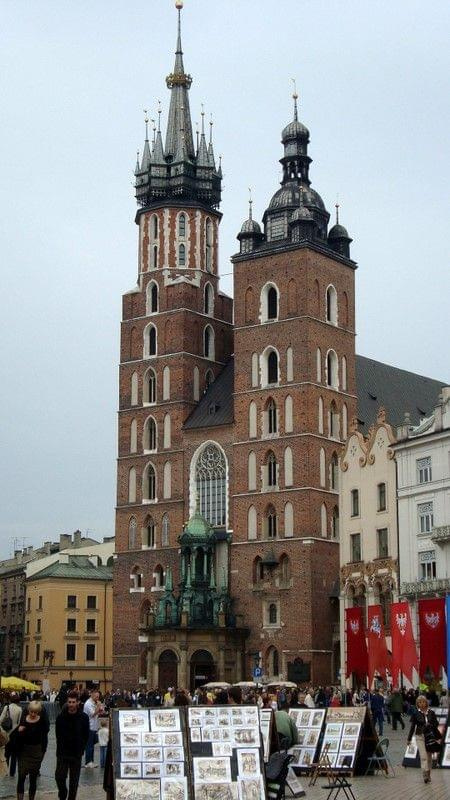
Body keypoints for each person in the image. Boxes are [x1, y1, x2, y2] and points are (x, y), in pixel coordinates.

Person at [55, 691, 89, 800]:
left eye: (73, 702)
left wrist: (81, 748)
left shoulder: (83, 717)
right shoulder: (60, 717)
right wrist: (60, 748)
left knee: (74, 782)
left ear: (77, 702)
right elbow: (58, 735)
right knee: (59, 777)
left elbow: (86, 734)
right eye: (69, 702)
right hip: (63, 753)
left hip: (76, 753)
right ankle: (63, 792)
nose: (71, 704)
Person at [16, 700, 49, 800]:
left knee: (33, 779)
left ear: (38, 711)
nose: (33, 714)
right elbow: (18, 738)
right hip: (24, 752)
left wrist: (43, 751)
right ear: (28, 710)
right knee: (21, 777)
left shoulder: (42, 721)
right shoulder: (24, 719)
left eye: (36, 712)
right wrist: (20, 731)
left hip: (36, 752)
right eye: (31, 711)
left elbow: (44, 737)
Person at [407, 695, 441, 784]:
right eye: (419, 702)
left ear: (426, 702)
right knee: (423, 756)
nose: (422, 704)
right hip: (420, 736)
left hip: (430, 736)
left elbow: (436, 724)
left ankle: (428, 773)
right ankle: (425, 773)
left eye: (423, 702)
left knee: (429, 757)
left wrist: (430, 725)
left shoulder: (431, 712)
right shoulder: (415, 713)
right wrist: (409, 738)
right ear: (417, 704)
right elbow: (412, 727)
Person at [0, 693, 22, 777]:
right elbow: (19, 722)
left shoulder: (7, 707)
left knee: (6, 753)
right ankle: (12, 773)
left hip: (6, 732)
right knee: (14, 754)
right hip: (15, 733)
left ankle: (5, 771)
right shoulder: (19, 709)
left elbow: (1, 719)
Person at [83, 689, 103, 767]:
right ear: (92, 695)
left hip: (94, 727)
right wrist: (98, 707)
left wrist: (100, 710)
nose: (97, 698)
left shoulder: (94, 702)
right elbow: (92, 714)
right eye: (96, 696)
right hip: (89, 726)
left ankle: (91, 761)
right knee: (89, 745)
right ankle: (88, 762)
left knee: (93, 743)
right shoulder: (88, 704)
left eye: (98, 696)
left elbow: (97, 712)